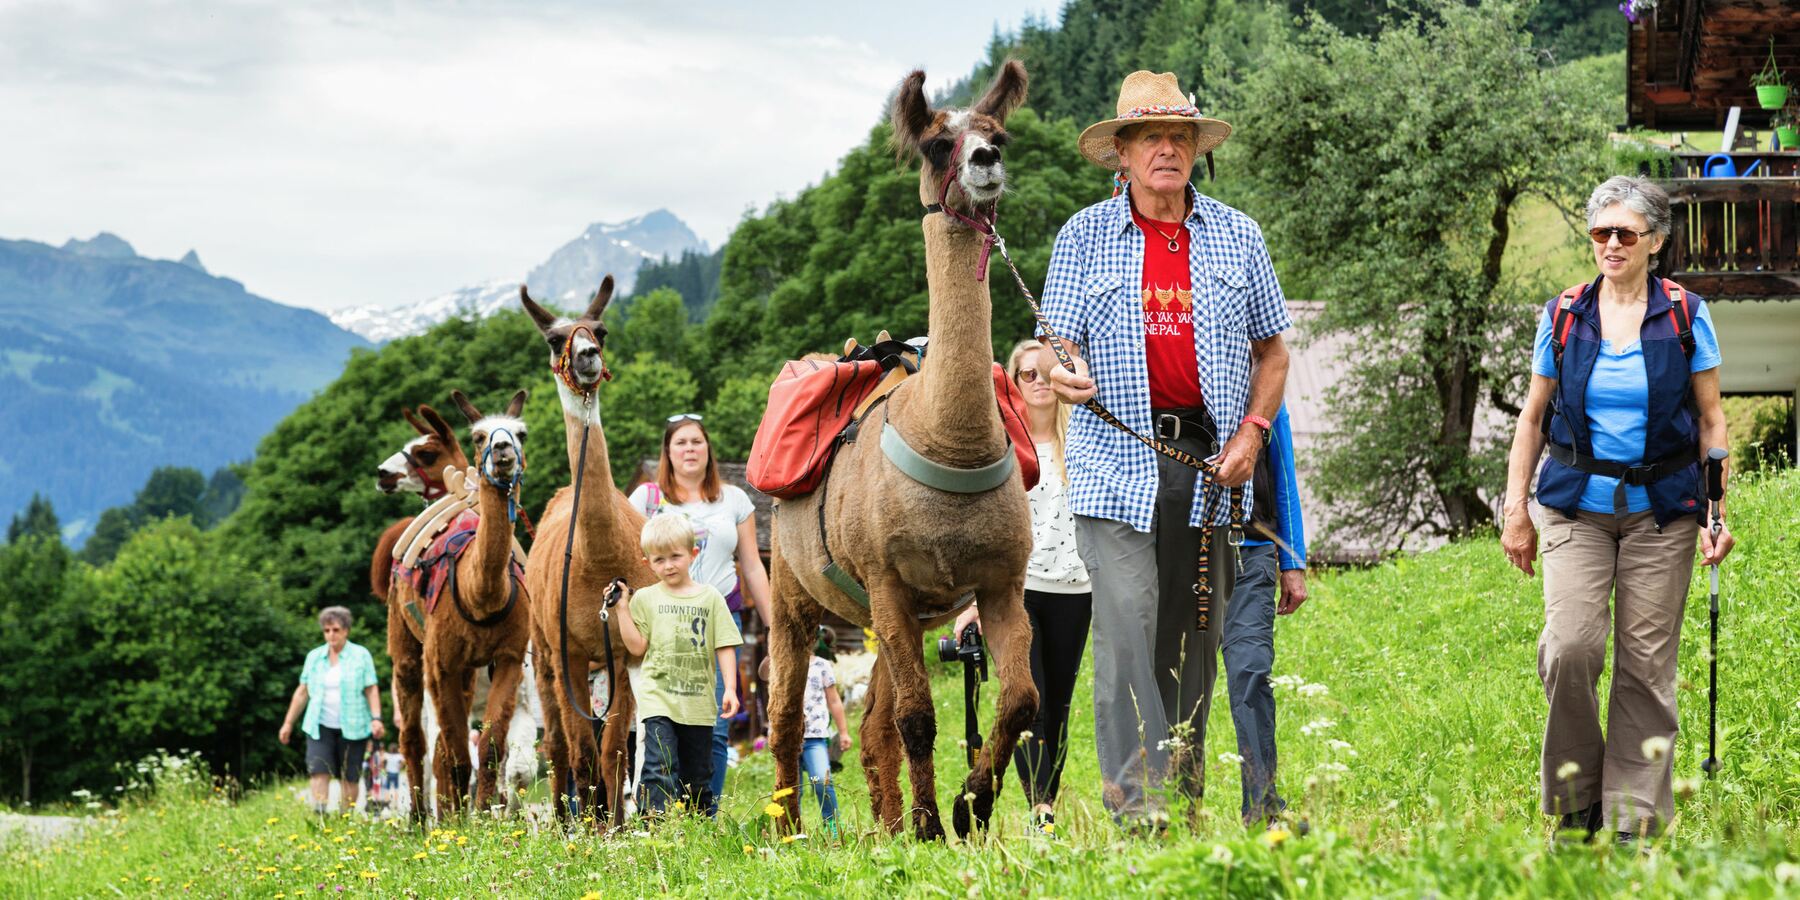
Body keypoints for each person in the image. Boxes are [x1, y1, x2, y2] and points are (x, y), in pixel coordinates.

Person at [1041, 70, 1291, 827]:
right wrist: (1063, 374)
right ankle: (1135, 806)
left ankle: (1180, 806)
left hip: (1210, 467)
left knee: (1191, 644)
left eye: (1180, 137)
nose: (1167, 150)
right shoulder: (1082, 236)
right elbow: (1053, 348)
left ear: (1195, 150)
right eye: (1151, 137)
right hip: (1114, 467)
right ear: (1121, 153)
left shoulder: (1237, 234)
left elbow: (1274, 353)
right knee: (1127, 624)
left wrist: (1253, 433)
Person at [1502, 175, 1734, 843]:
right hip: (1575, 503)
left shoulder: (1686, 314)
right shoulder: (1567, 313)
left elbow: (1713, 421)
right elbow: (1533, 418)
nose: (1610, 243)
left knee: (1645, 664)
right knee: (1571, 647)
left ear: (1654, 241)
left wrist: (1717, 513)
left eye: (1625, 233)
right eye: (1600, 231)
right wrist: (1514, 509)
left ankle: (1633, 823)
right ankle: (1576, 805)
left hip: (1663, 507)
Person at [955, 338, 1093, 835]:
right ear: (1012, 385)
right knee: (1026, 696)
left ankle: (1046, 801)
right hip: (1020, 590)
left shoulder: (1087, 444)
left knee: (1058, 702)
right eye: (1026, 375)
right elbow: (983, 532)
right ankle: (1041, 809)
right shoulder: (1002, 453)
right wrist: (975, 601)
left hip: (1079, 588)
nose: (1037, 382)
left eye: (1045, 372)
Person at [628, 414, 772, 814]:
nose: (689, 449)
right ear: (668, 453)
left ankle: (703, 817)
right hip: (662, 625)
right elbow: (630, 559)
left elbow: (753, 565)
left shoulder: (734, 500)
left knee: (714, 728)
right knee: (661, 727)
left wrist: (776, 626)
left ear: (708, 449)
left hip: (718, 619)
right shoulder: (646, 500)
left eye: (696, 442)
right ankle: (660, 814)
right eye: (681, 443)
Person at [616, 514, 744, 817]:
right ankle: (654, 830)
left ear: (693, 554)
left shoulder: (710, 597)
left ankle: (697, 830)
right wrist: (622, 608)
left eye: (675, 556)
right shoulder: (645, 598)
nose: (669, 565)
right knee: (658, 766)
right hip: (658, 699)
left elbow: (724, 644)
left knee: (697, 776)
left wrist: (731, 689)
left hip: (698, 703)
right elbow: (637, 646)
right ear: (648, 563)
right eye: (659, 560)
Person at [1223, 404, 1307, 826]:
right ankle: (1172, 811)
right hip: (1181, 555)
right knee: (1178, 682)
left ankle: (1263, 811)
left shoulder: (1268, 394)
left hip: (1250, 554)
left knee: (1252, 672)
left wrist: (1293, 561)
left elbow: (1284, 476)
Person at [279, 607, 385, 814]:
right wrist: (288, 723)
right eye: (326, 630)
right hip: (319, 725)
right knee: (318, 771)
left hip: (354, 726)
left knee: (349, 776)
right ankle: (319, 817)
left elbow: (371, 689)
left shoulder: (361, 655)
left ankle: (345, 819)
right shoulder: (315, 657)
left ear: (346, 630)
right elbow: (302, 692)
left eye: (335, 630)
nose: (331, 635)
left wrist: (376, 718)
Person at [798, 638, 852, 838]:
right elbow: (762, 673)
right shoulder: (780, 661)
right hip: (787, 740)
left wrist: (843, 731)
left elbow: (834, 700)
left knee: (820, 780)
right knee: (791, 790)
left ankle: (833, 829)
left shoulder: (821, 665)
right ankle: (792, 833)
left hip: (814, 737)